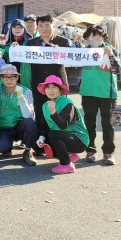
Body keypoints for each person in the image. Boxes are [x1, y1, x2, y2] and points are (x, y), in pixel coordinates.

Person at [18, 14, 74, 154]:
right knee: (40, 112)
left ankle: (59, 145)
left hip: (58, 84)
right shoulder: (31, 43)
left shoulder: (63, 42)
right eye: (41, 25)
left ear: (53, 26)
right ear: (37, 27)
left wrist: (60, 52)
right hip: (39, 83)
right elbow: (22, 56)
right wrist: (15, 48)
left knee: (59, 113)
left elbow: (72, 59)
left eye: (47, 25)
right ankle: (40, 145)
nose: (44, 28)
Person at [80, 25, 121, 165]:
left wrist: (111, 56)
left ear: (103, 38)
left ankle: (108, 152)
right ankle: (90, 150)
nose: (96, 39)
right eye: (93, 36)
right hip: (88, 92)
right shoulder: (82, 52)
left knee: (108, 124)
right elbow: (67, 61)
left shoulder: (110, 50)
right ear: (87, 38)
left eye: (99, 36)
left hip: (107, 93)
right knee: (89, 122)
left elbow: (118, 69)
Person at [38, 75, 89, 174]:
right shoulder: (45, 105)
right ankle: (71, 156)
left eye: (54, 87)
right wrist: (41, 137)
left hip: (79, 140)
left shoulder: (67, 103)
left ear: (60, 90)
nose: (51, 90)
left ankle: (66, 164)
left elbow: (63, 125)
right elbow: (45, 125)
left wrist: (53, 111)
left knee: (53, 134)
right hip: (64, 136)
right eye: (48, 87)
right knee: (45, 140)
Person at [0, 65, 37, 166]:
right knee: (3, 149)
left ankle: (28, 151)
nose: (9, 80)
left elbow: (28, 115)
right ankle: (8, 146)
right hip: (4, 128)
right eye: (5, 77)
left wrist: (21, 97)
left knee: (30, 122)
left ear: (17, 77)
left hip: (19, 126)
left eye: (12, 77)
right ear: (1, 78)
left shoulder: (26, 91)